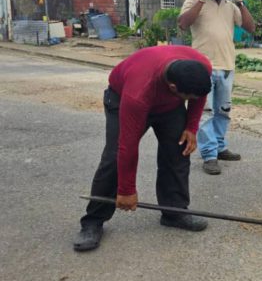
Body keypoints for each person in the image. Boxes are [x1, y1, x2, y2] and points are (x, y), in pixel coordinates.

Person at [73, 46, 213, 252]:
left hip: (169, 107)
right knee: (114, 158)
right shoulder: (139, 92)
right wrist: (126, 190)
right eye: (187, 97)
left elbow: (199, 95)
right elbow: (127, 146)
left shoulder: (201, 68)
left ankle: (174, 212)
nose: (192, 99)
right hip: (122, 98)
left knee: (179, 150)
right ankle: (93, 221)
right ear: (173, 87)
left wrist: (191, 128)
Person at [178, 0, 256, 175]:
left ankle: (220, 147)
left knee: (223, 112)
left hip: (227, 65)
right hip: (202, 67)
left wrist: (240, 2)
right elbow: (183, 24)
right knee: (205, 113)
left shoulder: (231, 7)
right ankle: (209, 154)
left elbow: (251, 27)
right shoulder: (194, 1)